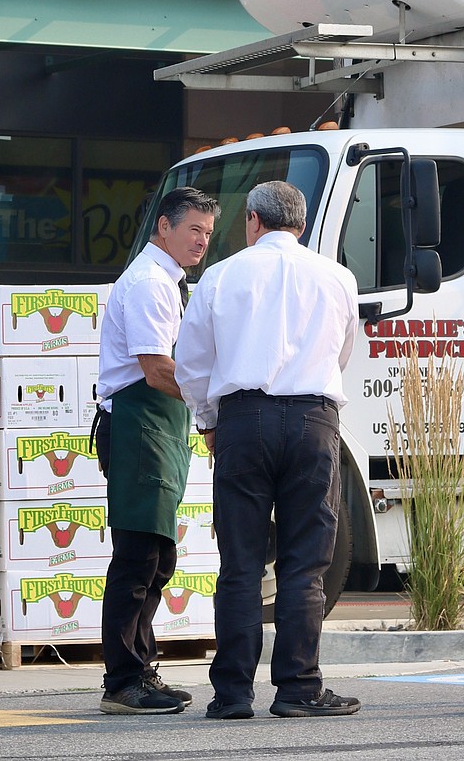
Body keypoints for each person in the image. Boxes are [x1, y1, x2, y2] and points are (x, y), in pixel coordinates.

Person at [174, 179, 360, 720]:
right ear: (300, 226)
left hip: (243, 420)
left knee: (240, 563)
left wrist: (210, 421)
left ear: (252, 221)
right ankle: (300, 688)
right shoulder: (337, 276)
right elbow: (342, 349)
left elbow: (190, 361)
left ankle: (232, 694)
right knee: (306, 563)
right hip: (312, 418)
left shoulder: (221, 275)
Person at [95, 186, 217, 714]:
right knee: (138, 555)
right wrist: (216, 403)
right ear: (162, 226)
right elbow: (157, 367)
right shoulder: (149, 282)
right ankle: (122, 681)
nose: (202, 242)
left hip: (159, 421)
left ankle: (141, 667)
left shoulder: (168, 281)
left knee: (158, 554)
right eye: (194, 230)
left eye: (209, 234)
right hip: (139, 420)